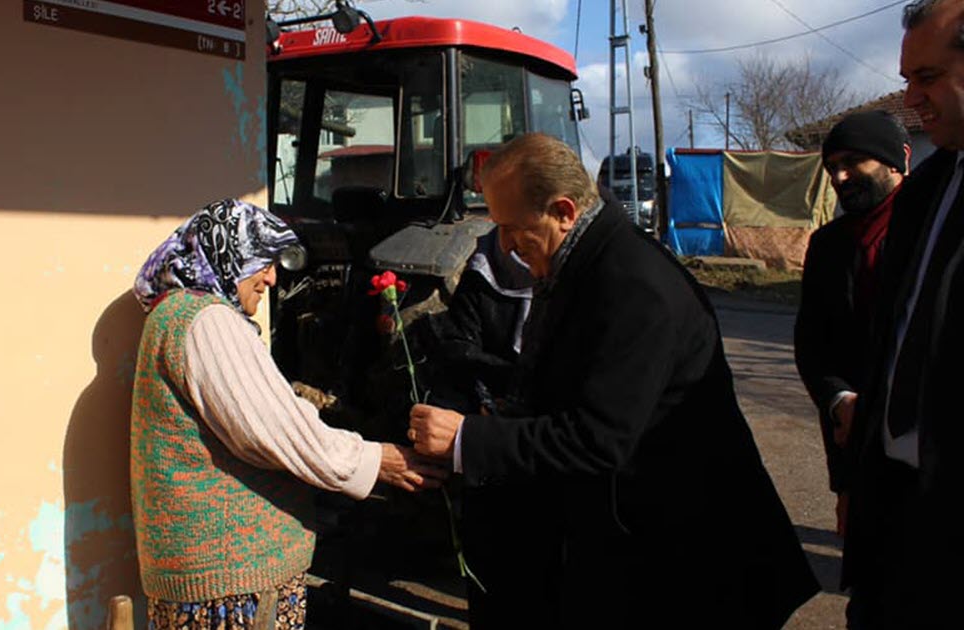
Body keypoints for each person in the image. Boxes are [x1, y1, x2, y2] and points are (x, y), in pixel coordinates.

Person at [406, 133, 818, 628]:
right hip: (637, 541)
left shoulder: (633, 285)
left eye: (513, 229)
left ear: (563, 211)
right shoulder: (579, 262)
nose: (507, 247)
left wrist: (468, 438)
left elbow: (598, 437)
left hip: (691, 560)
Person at [129, 199, 446, 630]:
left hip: (215, 574)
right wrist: (377, 460)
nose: (272, 278)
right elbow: (273, 430)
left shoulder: (175, 315)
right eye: (262, 261)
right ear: (227, 253)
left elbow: (270, 412)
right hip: (232, 578)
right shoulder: (206, 321)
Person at [842, 1, 964, 626]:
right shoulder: (926, 192)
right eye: (907, 78)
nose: (911, 99)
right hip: (896, 511)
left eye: (929, 77)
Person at [794, 111, 910, 538]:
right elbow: (813, 342)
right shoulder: (829, 246)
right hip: (858, 446)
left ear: (897, 161)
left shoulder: (932, 231)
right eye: (831, 168)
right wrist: (839, 399)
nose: (840, 177)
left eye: (853, 163)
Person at [414, 226, 534, 414]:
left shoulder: (583, 279)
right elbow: (459, 348)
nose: (506, 244)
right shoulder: (484, 271)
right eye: (502, 227)